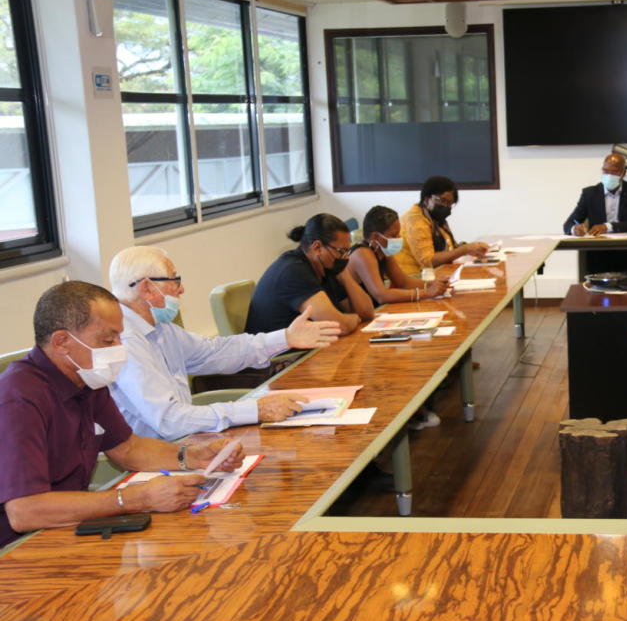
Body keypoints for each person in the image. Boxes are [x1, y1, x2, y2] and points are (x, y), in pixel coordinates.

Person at [0, 281, 244, 549]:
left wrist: (193, 456)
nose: (119, 347)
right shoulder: (18, 398)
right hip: (18, 548)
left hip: (68, 527)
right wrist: (135, 499)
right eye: (108, 340)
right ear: (62, 342)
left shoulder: (86, 379)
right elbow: (25, 511)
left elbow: (128, 448)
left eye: (119, 337)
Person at [108, 246, 342, 441]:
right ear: (147, 288)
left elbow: (214, 352)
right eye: (174, 280)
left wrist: (285, 337)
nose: (181, 289)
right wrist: (255, 410)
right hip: (155, 459)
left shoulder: (161, 329)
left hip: (184, 443)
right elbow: (170, 420)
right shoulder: (125, 341)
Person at [246, 213, 364, 335]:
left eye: (347, 251)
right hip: (279, 347)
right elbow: (340, 326)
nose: (345, 258)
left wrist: (344, 275)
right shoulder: (293, 271)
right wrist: (353, 318)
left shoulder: (326, 266)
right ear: (317, 247)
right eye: (341, 251)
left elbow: (366, 312)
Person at [345, 205, 448, 319]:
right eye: (393, 235)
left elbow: (403, 282)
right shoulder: (362, 254)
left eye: (398, 234)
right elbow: (381, 295)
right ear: (376, 236)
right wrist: (427, 293)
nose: (398, 238)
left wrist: (432, 284)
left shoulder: (382, 249)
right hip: (357, 316)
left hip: (375, 311)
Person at [394, 176, 489, 276]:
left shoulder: (436, 218)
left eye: (450, 203)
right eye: (442, 200)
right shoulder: (415, 220)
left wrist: (471, 247)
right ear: (427, 198)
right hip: (413, 277)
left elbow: (451, 247)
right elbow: (428, 261)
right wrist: (464, 250)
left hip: (434, 273)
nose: (446, 206)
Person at [562, 153, 627, 236]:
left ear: (623, 173)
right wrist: (574, 229)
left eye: (614, 172)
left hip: (626, 242)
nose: (609, 175)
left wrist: (608, 227)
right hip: (598, 242)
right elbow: (568, 224)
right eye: (605, 171)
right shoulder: (589, 194)